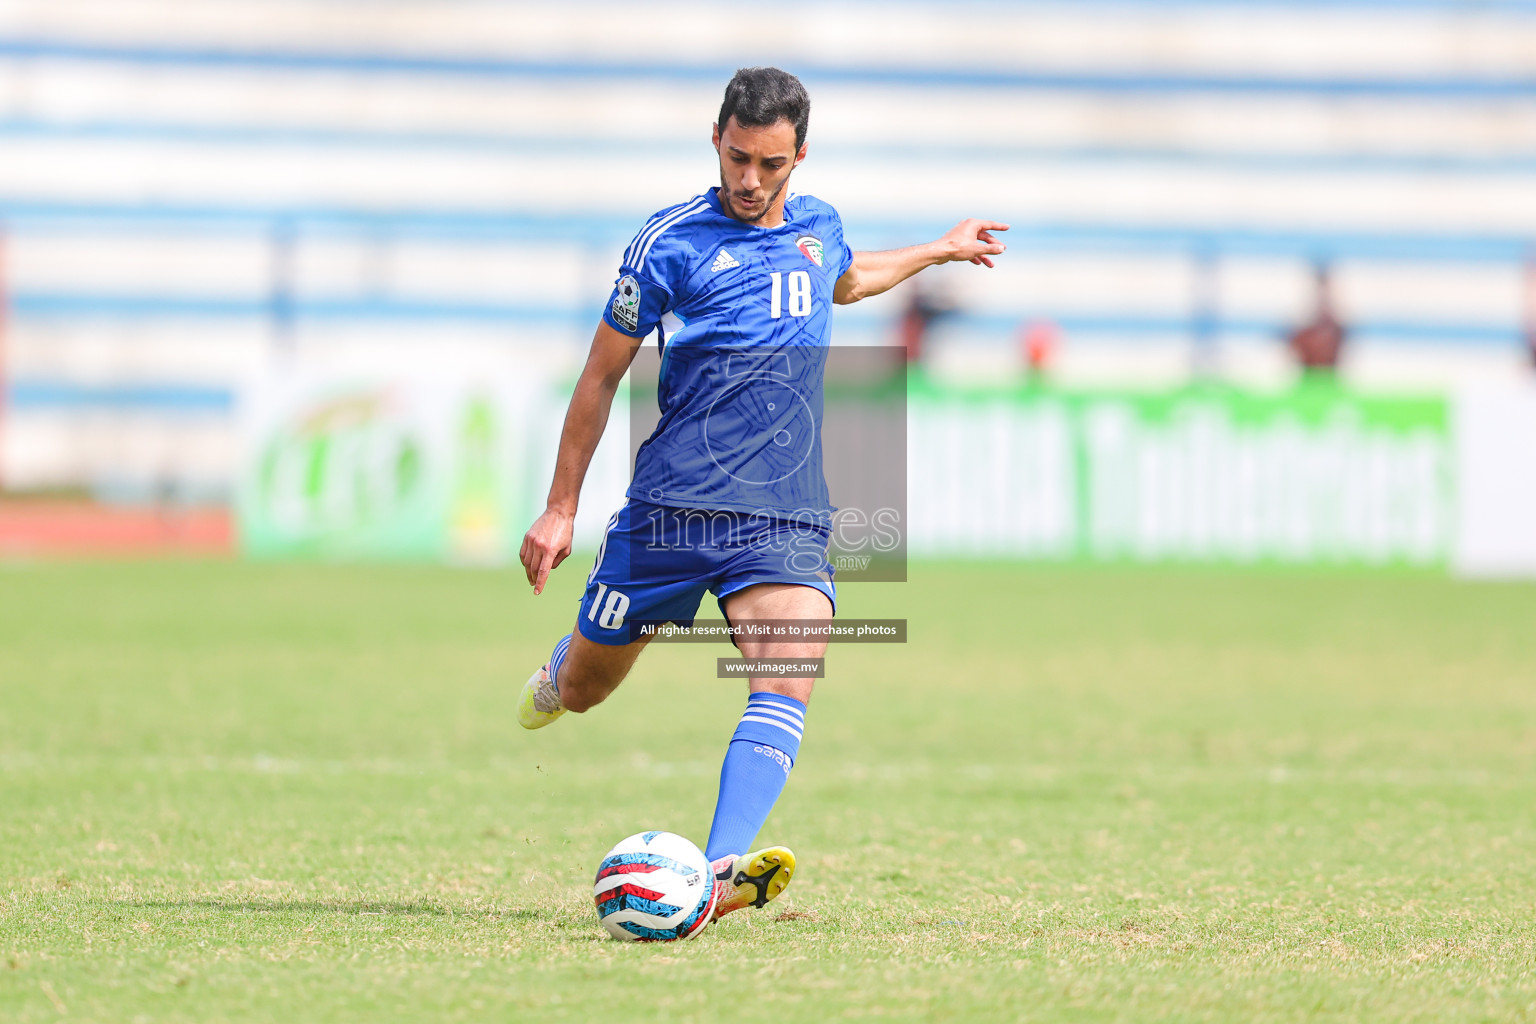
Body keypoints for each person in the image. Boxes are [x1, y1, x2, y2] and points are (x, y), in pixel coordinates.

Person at [516, 66, 1006, 931]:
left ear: (799, 158)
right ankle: (561, 671)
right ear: (716, 141)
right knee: (590, 689)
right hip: (672, 510)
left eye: (770, 165)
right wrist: (560, 506)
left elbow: (847, 280)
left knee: (790, 665)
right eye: (738, 158)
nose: (750, 180)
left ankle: (712, 874)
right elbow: (599, 378)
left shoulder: (819, 229)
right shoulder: (667, 243)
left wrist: (938, 248)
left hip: (781, 513)